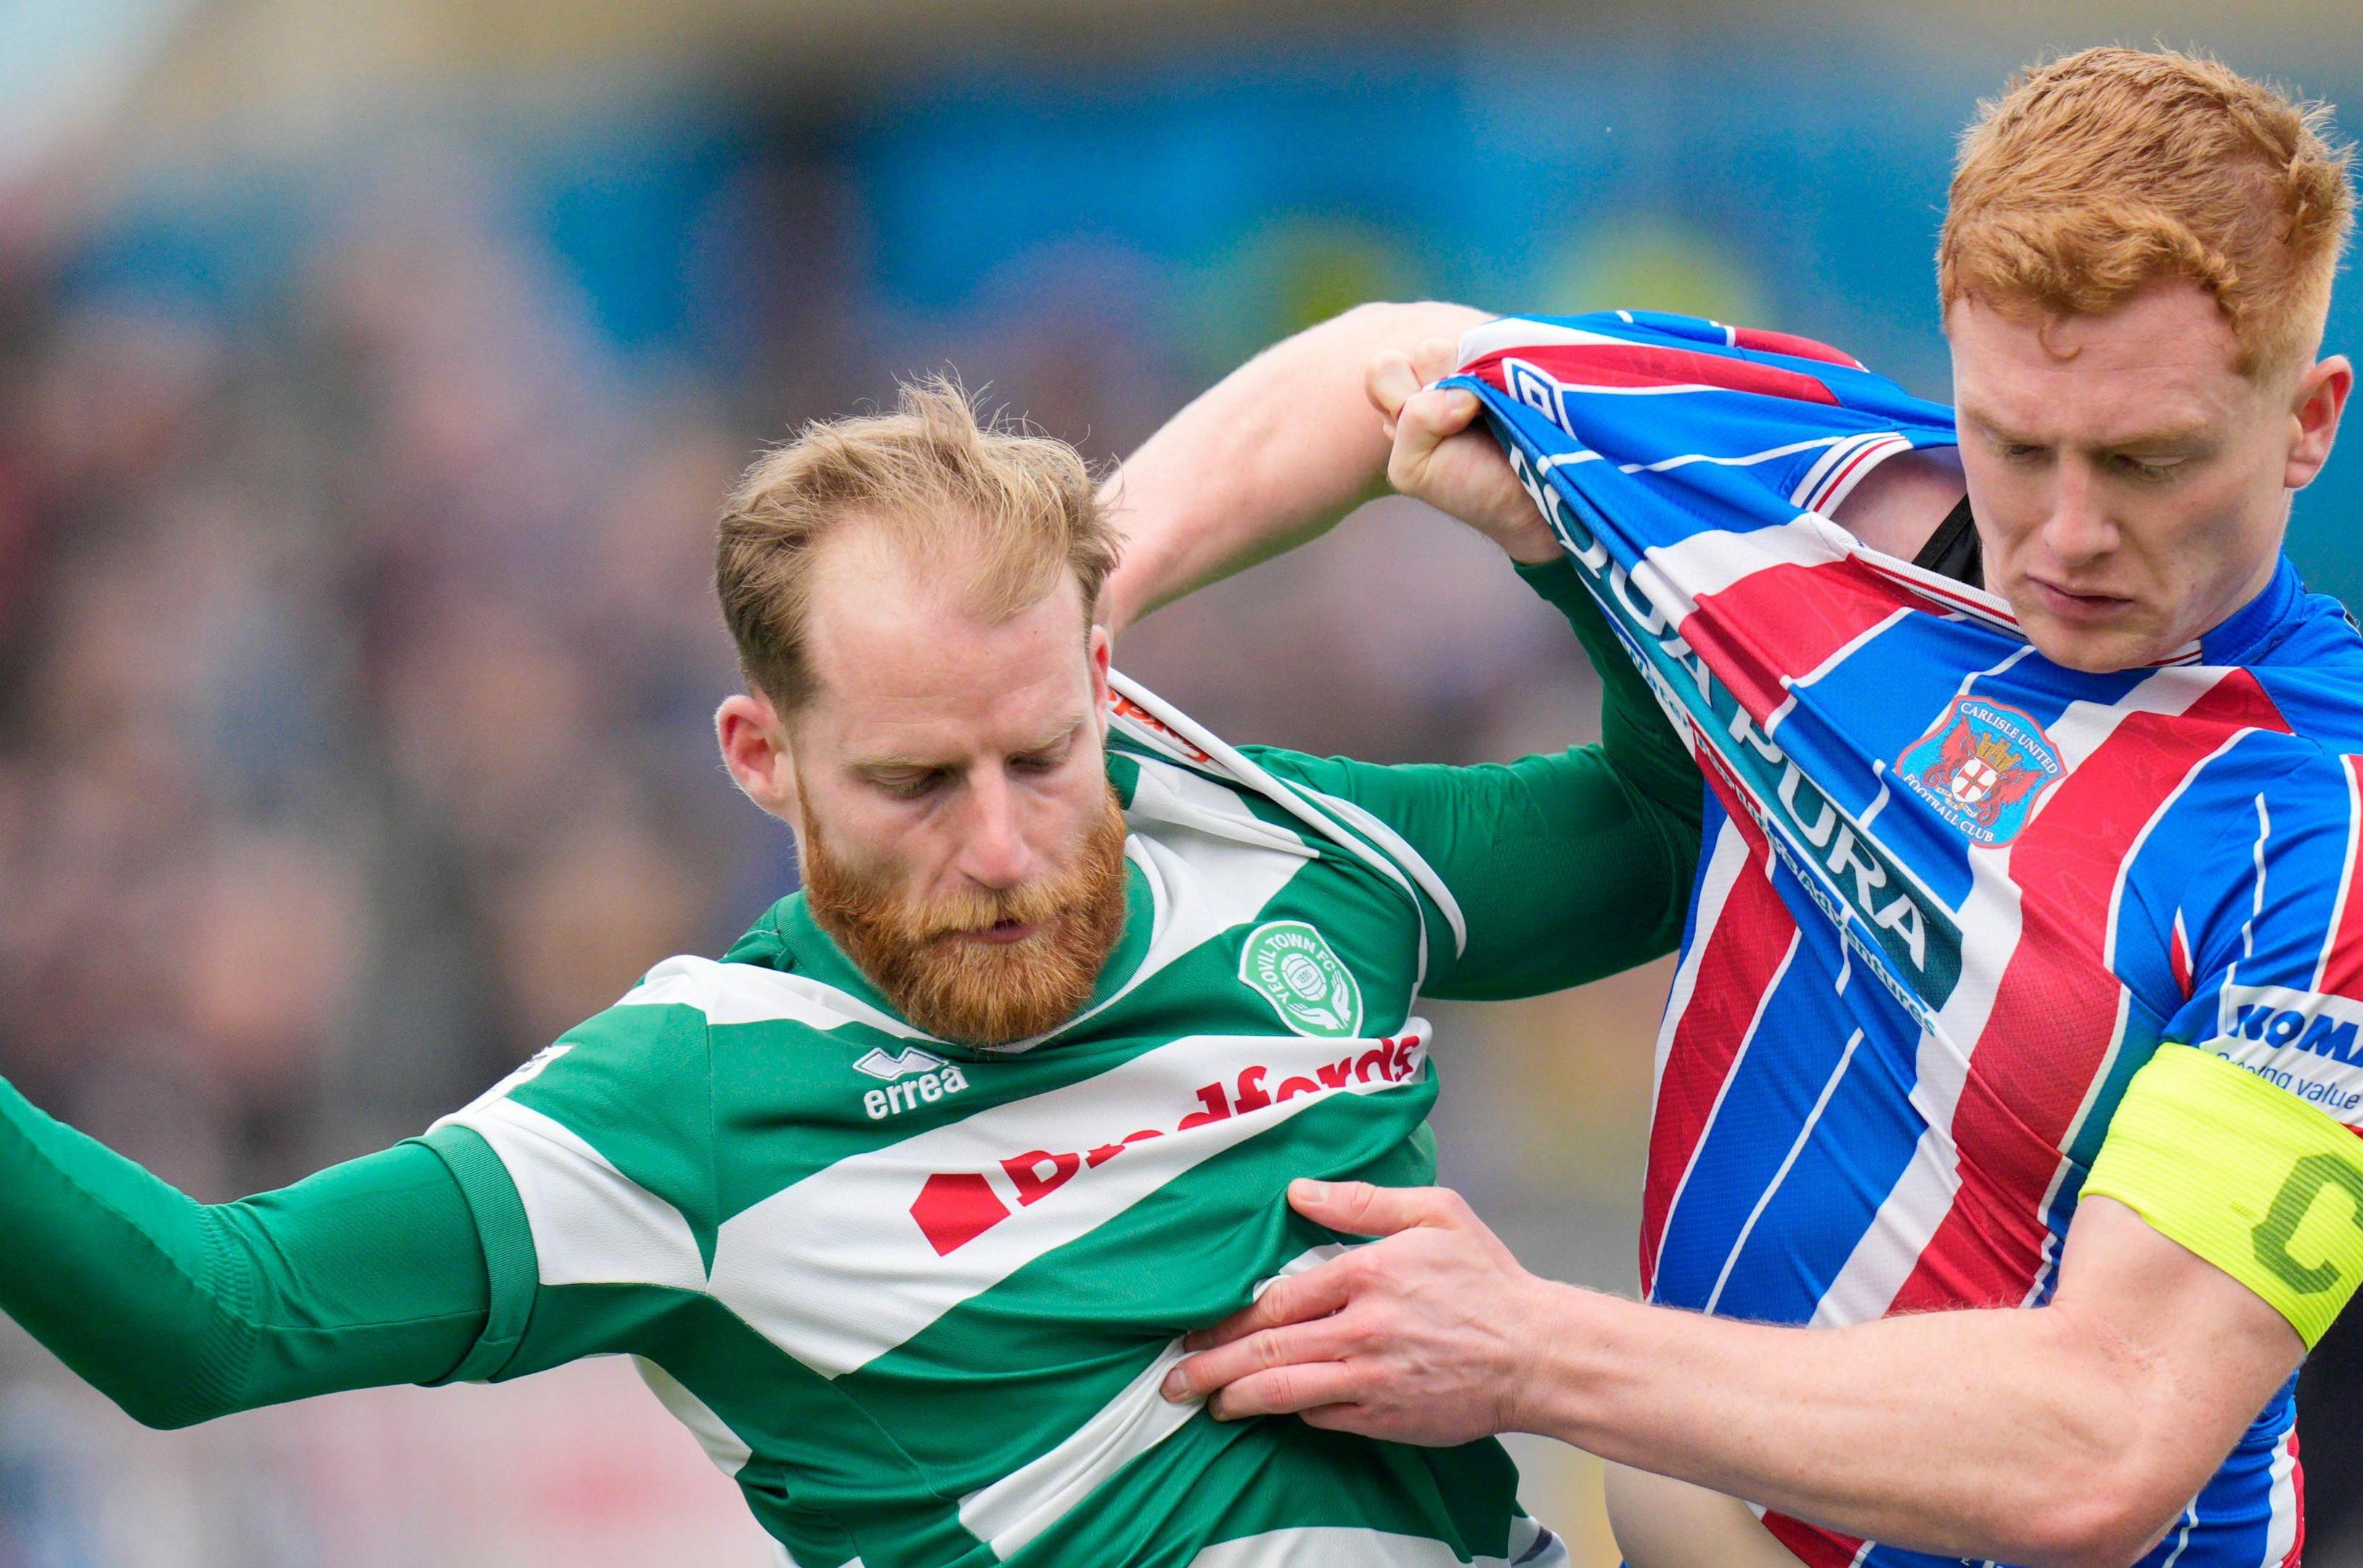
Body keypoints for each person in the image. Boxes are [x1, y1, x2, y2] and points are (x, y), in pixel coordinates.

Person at [1108, 47, 2363, 1568]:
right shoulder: (1788, 487)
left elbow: (2104, 1439)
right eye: (2018, 441)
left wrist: (1531, 1353)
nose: (2066, 530)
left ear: (2308, 418)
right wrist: (1061, 624)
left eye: (2145, 459)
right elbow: (1385, 363)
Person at [0, 379, 1697, 1567]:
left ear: (1104, 682)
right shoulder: (689, 1096)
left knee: (1717, 1507)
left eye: (1045, 757)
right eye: (911, 783)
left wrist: (1568, 547)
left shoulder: (1267, 836)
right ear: (761, 756)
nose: (1004, 848)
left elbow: (1664, 831)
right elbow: (209, 1321)